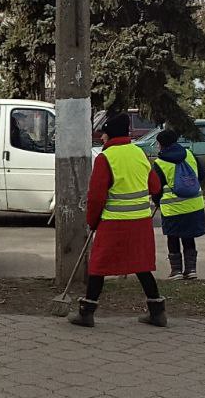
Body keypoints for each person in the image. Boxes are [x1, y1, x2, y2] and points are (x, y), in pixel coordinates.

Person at [67, 113, 167, 328]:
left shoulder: (106, 158)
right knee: (141, 265)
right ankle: (157, 312)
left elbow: (96, 196)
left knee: (98, 266)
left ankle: (87, 313)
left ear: (109, 134)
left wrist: (92, 222)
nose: (101, 137)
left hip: (114, 222)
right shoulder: (139, 153)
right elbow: (155, 187)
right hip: (140, 221)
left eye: (103, 133)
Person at [152, 129, 205, 281]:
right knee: (189, 237)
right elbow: (201, 175)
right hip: (194, 205)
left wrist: (158, 202)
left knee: (173, 237)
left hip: (172, 208)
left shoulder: (160, 163)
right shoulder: (190, 155)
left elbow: (156, 188)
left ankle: (176, 271)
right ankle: (191, 270)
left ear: (161, 145)